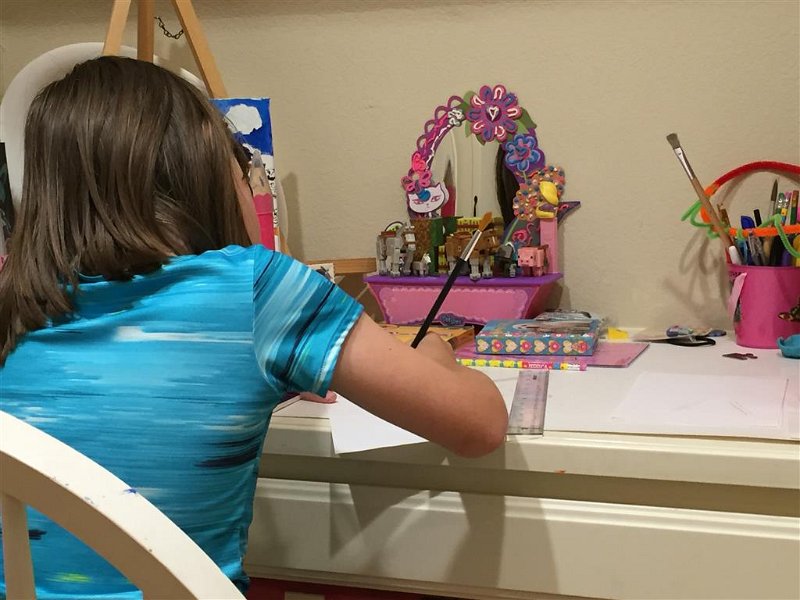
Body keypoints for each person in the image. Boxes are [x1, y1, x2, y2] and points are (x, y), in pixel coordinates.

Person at [0, 56, 507, 598]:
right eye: (241, 167)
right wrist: (435, 355)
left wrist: (286, 368)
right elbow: (479, 427)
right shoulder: (257, 290)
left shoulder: (13, 302)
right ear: (206, 175)